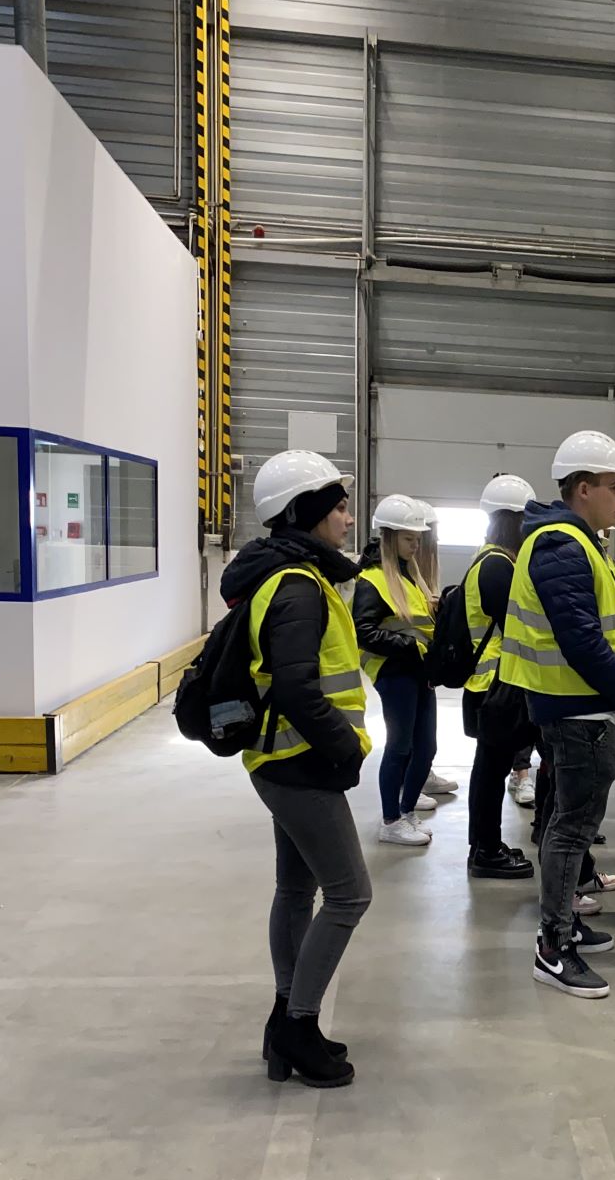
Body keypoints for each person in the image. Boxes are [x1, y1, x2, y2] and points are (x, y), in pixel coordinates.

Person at [226, 451, 370, 1087]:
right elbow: (295, 685)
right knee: (349, 894)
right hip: (299, 761)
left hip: (281, 758)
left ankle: (285, 1019)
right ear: (304, 514)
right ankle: (298, 1025)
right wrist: (342, 745)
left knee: (296, 889)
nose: (346, 516)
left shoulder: (289, 576)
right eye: (336, 506)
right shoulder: (297, 586)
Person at [500, 430, 615, 1001]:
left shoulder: (578, 541)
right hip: (576, 708)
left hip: (582, 705)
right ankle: (552, 946)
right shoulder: (562, 545)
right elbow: (582, 639)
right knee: (571, 828)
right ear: (582, 488)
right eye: (614, 487)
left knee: (570, 824)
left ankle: (566, 926)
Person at [352, 493, 442, 845]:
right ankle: (391, 819)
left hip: (419, 673)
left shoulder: (409, 578)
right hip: (396, 675)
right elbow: (364, 631)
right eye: (408, 538)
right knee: (400, 746)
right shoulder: (372, 580)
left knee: (426, 746)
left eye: (418, 539)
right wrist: (408, 649)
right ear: (388, 537)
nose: (415, 545)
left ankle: (406, 812)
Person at [462, 475, 539, 878]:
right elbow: (519, 626)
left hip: (488, 685)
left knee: (489, 771)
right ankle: (485, 850)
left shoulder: (491, 559)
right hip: (493, 685)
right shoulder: (497, 566)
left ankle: (486, 845)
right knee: (490, 773)